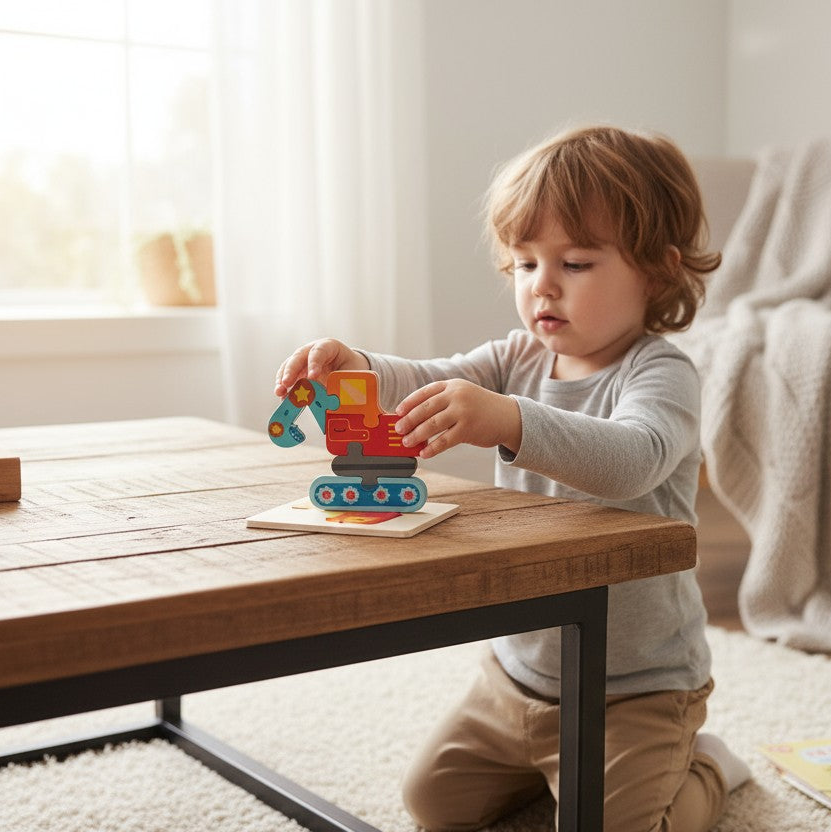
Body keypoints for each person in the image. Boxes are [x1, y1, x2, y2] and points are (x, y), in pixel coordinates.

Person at [272, 125, 750, 831]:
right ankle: (555, 771)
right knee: (432, 803)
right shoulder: (515, 357)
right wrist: (359, 366)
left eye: (576, 263)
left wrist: (508, 419)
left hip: (634, 688)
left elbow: (633, 459)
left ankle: (708, 768)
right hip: (516, 675)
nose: (542, 285)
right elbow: (427, 379)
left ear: (657, 272)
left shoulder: (661, 371)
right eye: (525, 263)